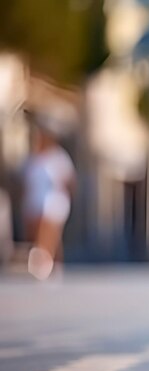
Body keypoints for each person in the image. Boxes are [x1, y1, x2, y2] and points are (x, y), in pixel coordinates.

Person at [21, 112, 76, 280]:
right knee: (36, 233)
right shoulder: (33, 159)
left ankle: (47, 263)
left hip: (53, 201)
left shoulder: (58, 157)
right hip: (35, 200)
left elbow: (70, 181)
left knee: (49, 232)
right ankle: (45, 261)